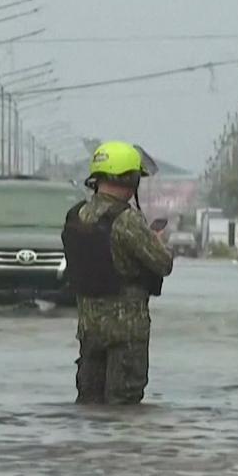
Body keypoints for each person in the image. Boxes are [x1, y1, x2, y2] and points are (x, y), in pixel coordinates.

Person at [61, 141, 173, 405]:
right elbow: (163, 264)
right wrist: (156, 240)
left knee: (89, 405)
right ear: (131, 179)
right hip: (126, 335)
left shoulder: (76, 215)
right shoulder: (127, 220)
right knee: (124, 410)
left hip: (89, 331)